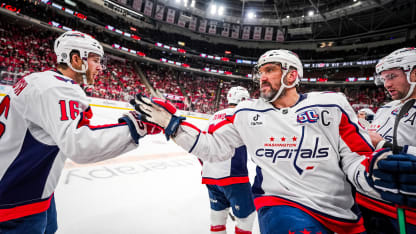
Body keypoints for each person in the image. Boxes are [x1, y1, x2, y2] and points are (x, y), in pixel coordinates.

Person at [133, 49, 388, 234]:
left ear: (291, 76)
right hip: (279, 203)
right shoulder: (245, 112)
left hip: (342, 212)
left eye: (270, 70)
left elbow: (356, 158)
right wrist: (173, 126)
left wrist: (377, 175)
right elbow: (213, 148)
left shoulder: (331, 105)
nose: (261, 77)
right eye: (261, 72)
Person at [0, 31, 160, 233]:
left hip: (30, 185)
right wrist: (137, 125)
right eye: (95, 60)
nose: (100, 67)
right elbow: (80, 145)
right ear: (75, 59)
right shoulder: (60, 89)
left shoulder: (38, 79)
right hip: (17, 198)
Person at [356, 47, 416, 233]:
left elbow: (381, 142)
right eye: (384, 78)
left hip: (403, 211)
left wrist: (384, 145)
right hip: (364, 201)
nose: (386, 84)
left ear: (414, 73)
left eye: (391, 76)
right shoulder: (386, 107)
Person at [201, 86, 255, 234]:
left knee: (217, 219)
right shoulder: (240, 115)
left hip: (210, 175)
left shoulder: (214, 116)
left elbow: (201, 146)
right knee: (247, 217)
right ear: (243, 100)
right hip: (233, 176)